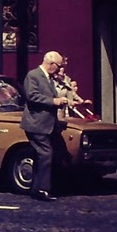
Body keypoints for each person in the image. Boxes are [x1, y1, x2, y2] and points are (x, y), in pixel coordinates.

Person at [21, 50, 70, 201]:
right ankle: (42, 189)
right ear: (51, 64)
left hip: (47, 125)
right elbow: (32, 96)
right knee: (46, 154)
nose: (60, 68)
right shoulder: (33, 75)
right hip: (36, 124)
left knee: (43, 155)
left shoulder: (48, 78)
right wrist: (54, 101)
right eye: (58, 65)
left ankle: (37, 188)